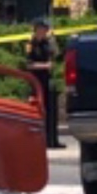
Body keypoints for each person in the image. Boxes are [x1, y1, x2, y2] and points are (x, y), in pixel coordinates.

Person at [25, 18, 63, 148]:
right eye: (42, 29)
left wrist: (53, 42)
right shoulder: (31, 44)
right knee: (37, 110)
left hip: (47, 79)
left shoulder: (47, 43)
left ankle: (52, 140)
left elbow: (56, 54)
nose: (44, 31)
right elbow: (29, 65)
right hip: (36, 81)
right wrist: (44, 66)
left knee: (51, 110)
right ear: (36, 30)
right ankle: (38, 141)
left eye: (45, 29)